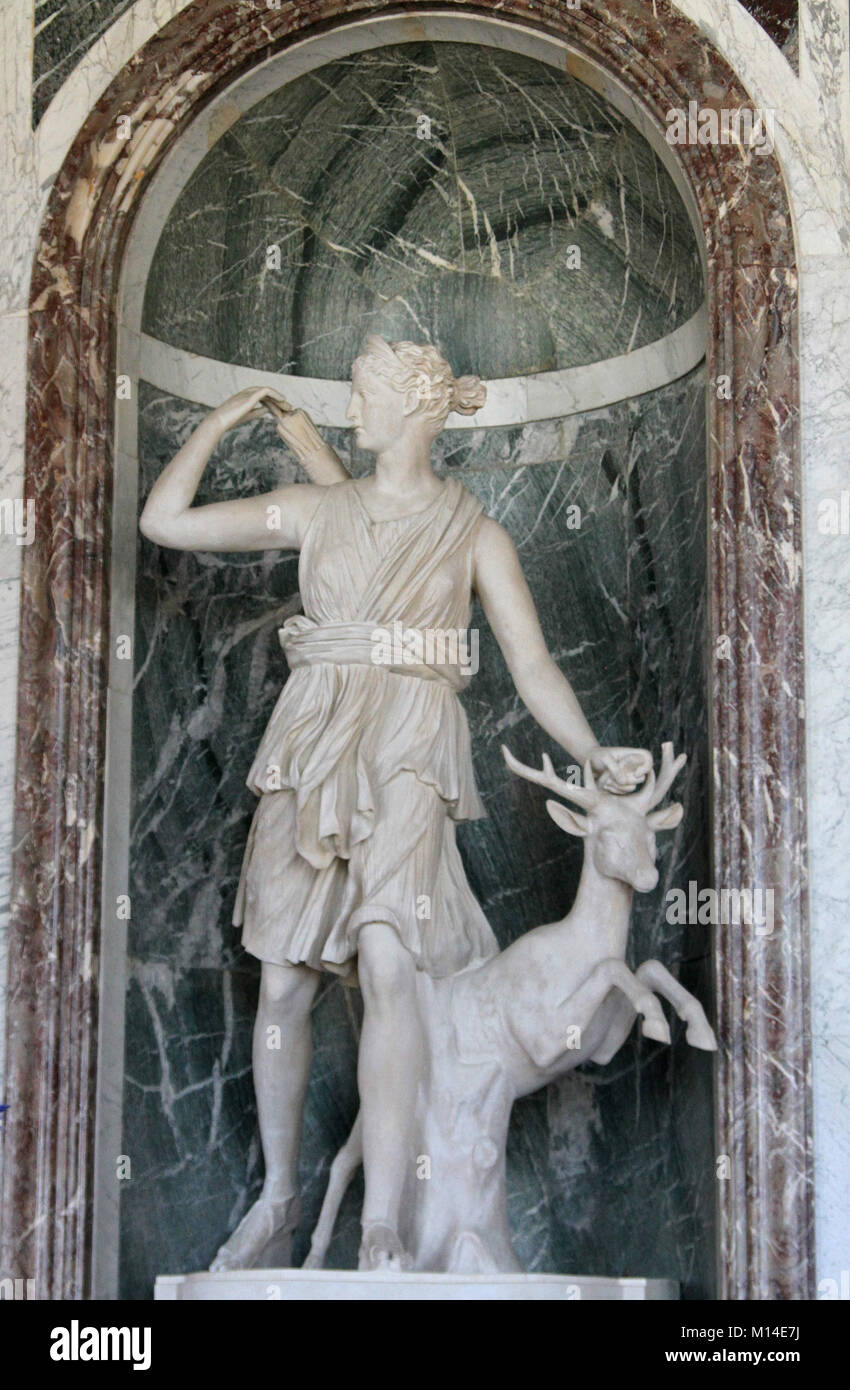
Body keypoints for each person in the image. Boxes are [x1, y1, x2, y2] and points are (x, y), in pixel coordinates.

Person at [140, 336, 650, 1271]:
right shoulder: (319, 507)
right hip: (312, 743)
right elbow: (166, 520)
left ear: (416, 406)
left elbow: (532, 665)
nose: (350, 408)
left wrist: (589, 751)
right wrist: (214, 421)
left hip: (413, 744)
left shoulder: (474, 532)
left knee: (387, 961)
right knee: (286, 979)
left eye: (364, 393)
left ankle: (380, 1221)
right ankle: (280, 1198)